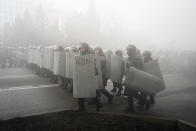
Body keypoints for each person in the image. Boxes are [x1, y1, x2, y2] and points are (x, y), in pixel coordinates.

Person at [76, 43, 102, 112]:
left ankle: (98, 104)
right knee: (80, 91)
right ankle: (81, 107)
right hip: (81, 76)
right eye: (80, 48)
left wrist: (94, 71)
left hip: (88, 76)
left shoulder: (90, 57)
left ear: (86, 49)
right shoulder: (78, 57)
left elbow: (94, 68)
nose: (80, 50)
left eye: (82, 48)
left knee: (92, 91)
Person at [123, 44, 148, 112]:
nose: (128, 51)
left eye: (129, 50)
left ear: (133, 50)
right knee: (131, 93)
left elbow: (140, 69)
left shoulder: (137, 58)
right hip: (130, 77)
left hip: (135, 78)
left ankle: (133, 107)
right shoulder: (129, 58)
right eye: (127, 50)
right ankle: (144, 102)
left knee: (132, 93)